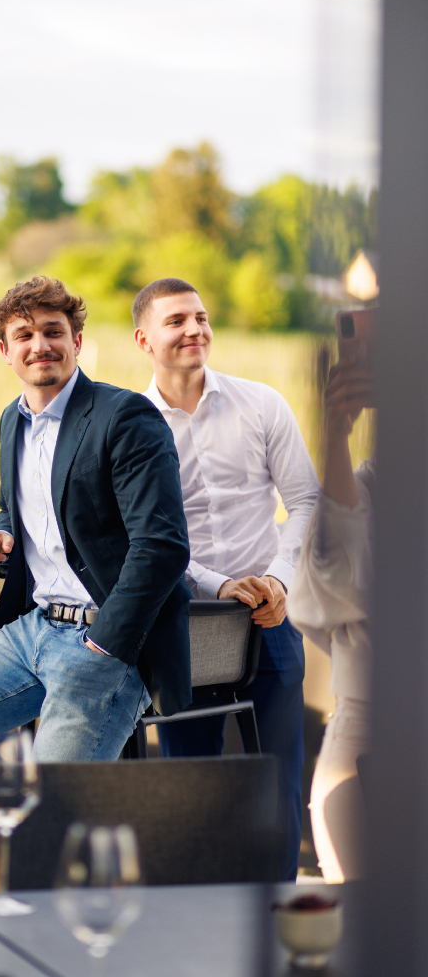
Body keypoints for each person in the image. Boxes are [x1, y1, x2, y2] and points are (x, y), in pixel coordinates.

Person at [0, 275, 192, 802]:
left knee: (51, 808)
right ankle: (26, 825)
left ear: (76, 341)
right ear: (5, 351)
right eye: (24, 335)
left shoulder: (125, 416)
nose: (39, 345)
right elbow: (16, 511)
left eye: (53, 331)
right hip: (32, 630)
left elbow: (163, 546)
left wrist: (104, 644)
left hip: (106, 641)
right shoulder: (11, 423)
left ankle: (40, 830)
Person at [133, 277, 320, 881]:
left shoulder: (261, 404)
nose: (195, 329)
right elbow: (145, 537)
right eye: (176, 321)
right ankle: (199, 917)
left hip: (269, 616)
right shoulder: (131, 426)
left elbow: (307, 501)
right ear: (144, 340)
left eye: (201, 317)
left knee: (279, 783)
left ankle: (281, 911)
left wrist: (278, 580)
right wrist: (217, 583)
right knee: (193, 790)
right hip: (182, 624)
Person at [289, 354, 374, 883]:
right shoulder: (372, 485)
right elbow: (339, 572)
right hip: (366, 727)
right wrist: (336, 437)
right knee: (357, 904)